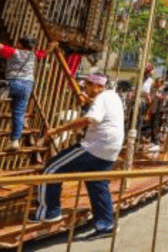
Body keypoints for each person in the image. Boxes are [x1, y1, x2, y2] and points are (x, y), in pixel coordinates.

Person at [32, 73, 124, 239]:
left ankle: (50, 212)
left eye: (87, 85)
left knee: (52, 168)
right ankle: (106, 225)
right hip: (110, 149)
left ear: (97, 86)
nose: (85, 89)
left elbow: (88, 119)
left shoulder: (101, 98)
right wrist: (89, 101)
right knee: (97, 184)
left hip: (95, 146)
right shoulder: (113, 96)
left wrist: (57, 130)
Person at [0, 27, 57, 151]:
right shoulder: (34, 55)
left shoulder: (13, 52)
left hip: (13, 82)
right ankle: (14, 141)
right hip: (27, 85)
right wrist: (51, 47)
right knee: (19, 112)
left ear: (19, 44)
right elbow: (44, 53)